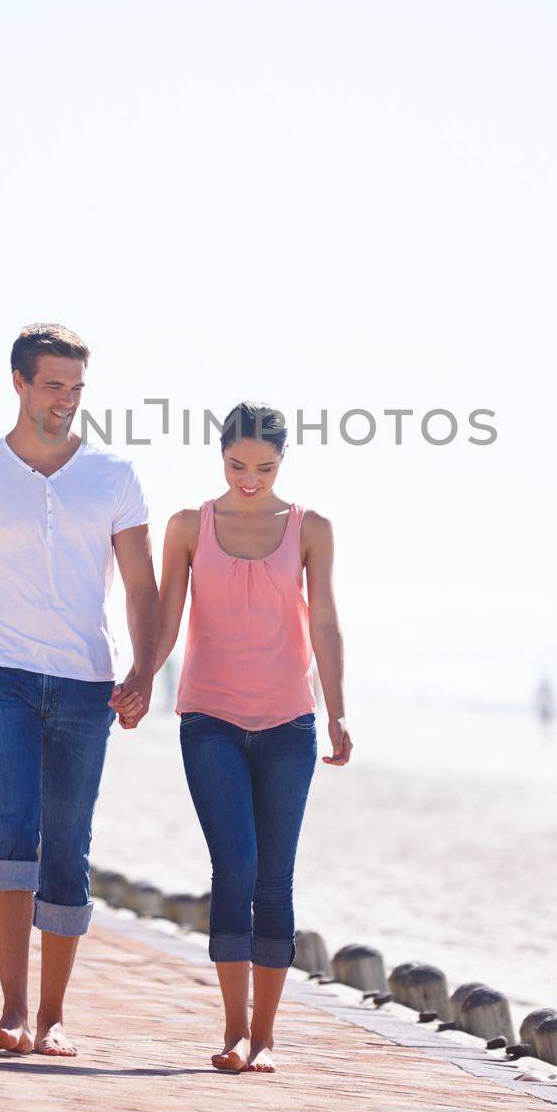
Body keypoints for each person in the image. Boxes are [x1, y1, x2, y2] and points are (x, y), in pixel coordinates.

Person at [0, 322, 158, 1058]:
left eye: (77, 387)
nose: (67, 400)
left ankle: (55, 1016)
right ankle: (12, 1009)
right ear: (20, 383)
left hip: (87, 683)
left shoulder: (113, 478)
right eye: (53, 385)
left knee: (68, 847)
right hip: (3, 677)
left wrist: (143, 671)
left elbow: (141, 587)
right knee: (13, 833)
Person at [148, 401, 351, 1073]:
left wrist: (340, 711)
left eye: (263, 467)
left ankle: (267, 1035)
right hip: (209, 719)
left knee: (276, 878)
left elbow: (324, 623)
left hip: (290, 725)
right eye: (237, 465)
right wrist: (141, 678)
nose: (249, 479)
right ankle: (234, 1031)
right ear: (221, 456)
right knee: (234, 867)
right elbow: (167, 618)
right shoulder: (187, 526)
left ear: (282, 462)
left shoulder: (310, 528)